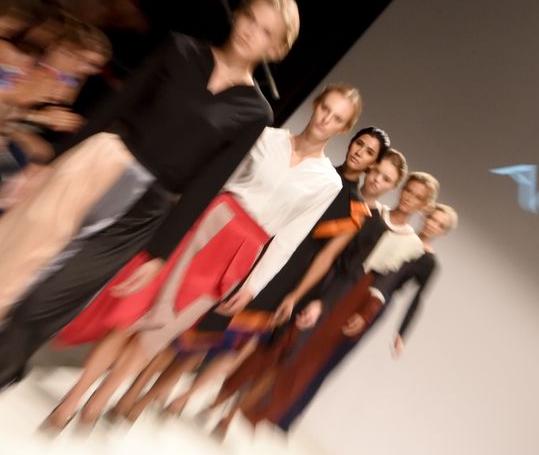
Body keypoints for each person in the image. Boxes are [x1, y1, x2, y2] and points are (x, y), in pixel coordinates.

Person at [0, 0, 299, 455]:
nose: (251, 32)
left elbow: (206, 184)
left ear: (276, 49)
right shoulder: (179, 50)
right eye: (251, 18)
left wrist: (159, 253)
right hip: (92, 169)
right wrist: (47, 164)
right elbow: (112, 110)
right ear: (239, 15)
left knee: (37, 310)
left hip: (141, 213)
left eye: (266, 32)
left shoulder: (254, 112)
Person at [45, 85, 364, 430]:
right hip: (205, 225)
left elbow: (291, 236)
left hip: (238, 255)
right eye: (325, 109)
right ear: (316, 105)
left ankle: (98, 402)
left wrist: (254, 285)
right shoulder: (266, 138)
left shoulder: (328, 182)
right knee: (133, 312)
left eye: (337, 118)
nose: (325, 120)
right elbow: (219, 179)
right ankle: (73, 398)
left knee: (158, 334)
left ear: (343, 129)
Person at [116, 128, 392, 421]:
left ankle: (147, 401)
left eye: (369, 152)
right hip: (253, 252)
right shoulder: (316, 172)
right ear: (350, 142)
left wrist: (295, 296)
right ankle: (133, 395)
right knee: (189, 323)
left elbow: (326, 257)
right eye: (359, 143)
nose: (360, 152)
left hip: (285, 277)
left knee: (211, 337)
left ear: (373, 163)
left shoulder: (356, 209)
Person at [219, 171, 439, 434]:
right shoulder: (372, 212)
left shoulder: (412, 245)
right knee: (274, 343)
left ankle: (233, 415)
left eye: (417, 197)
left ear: (423, 206)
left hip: (349, 298)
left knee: (292, 357)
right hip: (324, 280)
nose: (409, 198)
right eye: (408, 190)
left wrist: (365, 313)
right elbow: (337, 251)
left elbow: (385, 282)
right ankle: (219, 401)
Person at [266, 203, 458, 433]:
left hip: (374, 306)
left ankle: (287, 417)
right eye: (432, 218)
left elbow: (417, 298)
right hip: (352, 288)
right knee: (309, 342)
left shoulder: (429, 262)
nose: (433, 225)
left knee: (330, 359)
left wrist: (402, 332)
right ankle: (268, 401)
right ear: (425, 216)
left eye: (440, 225)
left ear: (444, 232)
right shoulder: (399, 233)